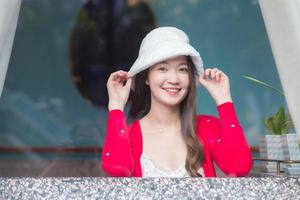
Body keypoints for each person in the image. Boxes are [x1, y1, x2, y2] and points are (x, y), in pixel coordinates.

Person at [101, 26, 252, 177]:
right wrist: (116, 107)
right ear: (146, 77)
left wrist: (224, 100)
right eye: (162, 69)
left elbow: (239, 167)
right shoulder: (130, 134)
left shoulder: (207, 127)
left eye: (182, 69)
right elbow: (116, 170)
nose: (174, 79)